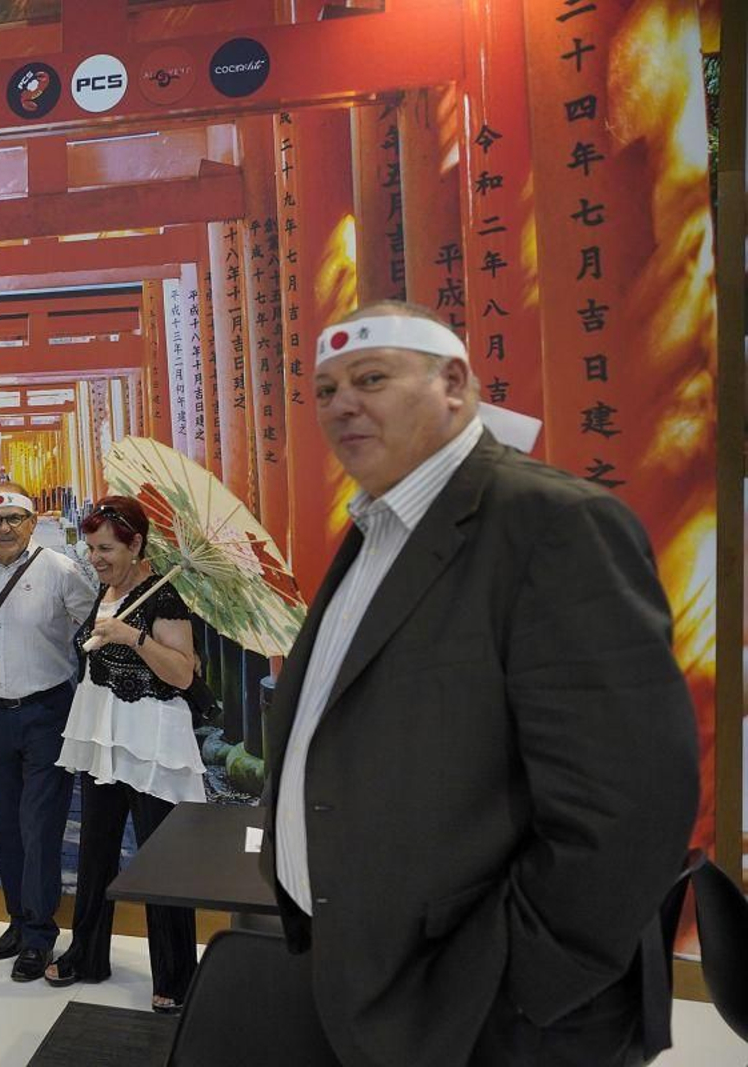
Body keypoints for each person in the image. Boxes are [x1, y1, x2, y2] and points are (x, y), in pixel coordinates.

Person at [266, 301, 699, 1066]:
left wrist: (520, 980)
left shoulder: (551, 524)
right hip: (375, 973)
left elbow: (631, 804)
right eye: (325, 390)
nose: (341, 405)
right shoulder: (377, 526)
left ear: (455, 384)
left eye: (370, 378)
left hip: (496, 1007)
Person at [45, 495, 203, 1014]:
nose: (95, 557)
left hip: (151, 743)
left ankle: (177, 976)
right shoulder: (109, 589)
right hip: (102, 735)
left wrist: (133, 636)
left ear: (136, 544)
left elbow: (183, 674)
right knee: (95, 852)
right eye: (91, 548)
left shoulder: (165, 597)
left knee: (162, 862)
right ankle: (87, 955)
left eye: (106, 548)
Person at [0, 483, 96, 981]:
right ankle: (16, 917)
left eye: (14, 519)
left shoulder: (59, 570)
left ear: (33, 523)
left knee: (40, 824)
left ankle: (38, 933)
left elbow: (94, 622)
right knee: (5, 825)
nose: (4, 528)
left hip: (47, 712)